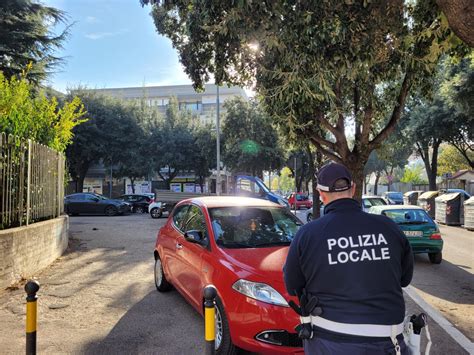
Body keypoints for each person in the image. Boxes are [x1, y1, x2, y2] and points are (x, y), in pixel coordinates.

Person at [284, 162, 414, 355]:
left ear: (321, 194)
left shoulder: (307, 234)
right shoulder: (389, 227)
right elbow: (405, 279)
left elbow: (292, 285)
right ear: (353, 189)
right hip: (388, 342)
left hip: (329, 342)